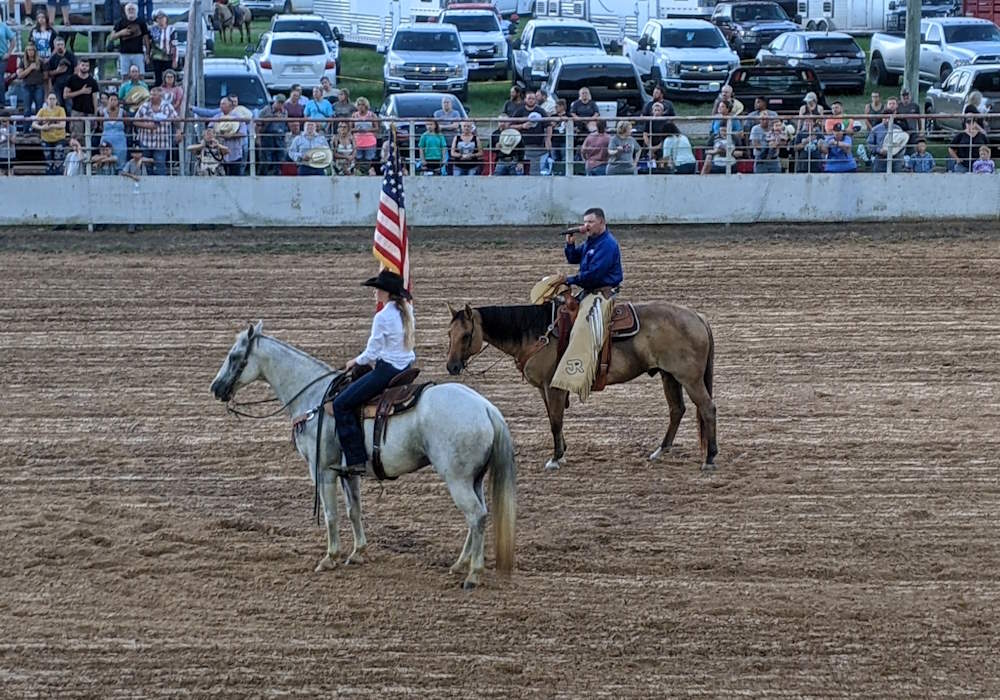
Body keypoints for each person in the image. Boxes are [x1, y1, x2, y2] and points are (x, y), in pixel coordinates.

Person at [333, 269, 415, 477]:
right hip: (406, 368)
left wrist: (353, 361)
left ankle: (356, 460)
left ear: (386, 292)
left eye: (377, 289)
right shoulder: (407, 310)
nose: (374, 293)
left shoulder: (382, 317)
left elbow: (372, 353)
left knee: (341, 404)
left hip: (387, 370)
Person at [550, 207, 623, 401]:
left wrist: (570, 280)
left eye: (590, 222)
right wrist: (570, 245)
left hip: (602, 293)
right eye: (585, 222)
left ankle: (580, 373)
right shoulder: (592, 241)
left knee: (583, 326)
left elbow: (594, 275)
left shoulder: (608, 244)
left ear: (601, 222)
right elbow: (574, 258)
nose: (586, 226)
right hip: (590, 290)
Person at [133, 85, 178, 175]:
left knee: (160, 164)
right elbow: (135, 121)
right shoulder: (144, 106)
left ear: (160, 96)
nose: (152, 97)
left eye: (154, 95)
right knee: (147, 165)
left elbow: (176, 119)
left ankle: (162, 185)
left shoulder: (167, 106)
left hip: (161, 142)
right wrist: (147, 126)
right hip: (145, 141)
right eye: (151, 94)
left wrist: (179, 131)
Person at [110, 3, 150, 78]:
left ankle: (140, 90)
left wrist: (147, 54)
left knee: (140, 76)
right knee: (125, 76)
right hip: (124, 54)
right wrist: (121, 33)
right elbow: (112, 37)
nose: (131, 11)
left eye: (133, 9)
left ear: (136, 11)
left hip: (138, 53)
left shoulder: (141, 22)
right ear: (125, 11)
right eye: (129, 9)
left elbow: (146, 39)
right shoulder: (120, 22)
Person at [62, 58, 99, 139]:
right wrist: (81, 91)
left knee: (89, 137)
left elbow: (95, 99)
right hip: (76, 111)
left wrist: (96, 115)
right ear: (79, 66)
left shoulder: (93, 81)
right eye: (83, 65)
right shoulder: (72, 79)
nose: (84, 67)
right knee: (77, 137)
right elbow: (65, 95)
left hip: (89, 112)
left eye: (87, 66)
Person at [32, 92, 67, 174]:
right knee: (48, 162)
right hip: (46, 139)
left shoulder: (61, 110)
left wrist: (51, 126)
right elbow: (33, 124)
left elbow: (63, 125)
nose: (52, 101)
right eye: (50, 99)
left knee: (58, 162)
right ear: (47, 100)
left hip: (59, 138)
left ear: (56, 100)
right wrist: (42, 127)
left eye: (53, 99)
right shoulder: (42, 111)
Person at [256, 93, 290, 175]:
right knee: (266, 160)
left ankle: (276, 176)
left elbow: (285, 125)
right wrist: (258, 138)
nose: (280, 105)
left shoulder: (285, 112)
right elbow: (257, 125)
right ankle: (261, 176)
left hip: (279, 138)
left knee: (279, 159)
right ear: (275, 101)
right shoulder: (265, 110)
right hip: (267, 137)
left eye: (282, 103)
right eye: (279, 102)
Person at [15, 43, 46, 131]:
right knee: (27, 109)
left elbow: (46, 76)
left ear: (35, 51)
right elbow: (20, 75)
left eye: (32, 50)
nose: (30, 52)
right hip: (27, 87)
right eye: (29, 50)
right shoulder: (22, 61)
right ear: (26, 51)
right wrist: (30, 69)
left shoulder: (40, 61)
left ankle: (38, 129)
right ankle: (26, 130)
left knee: (39, 109)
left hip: (38, 86)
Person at [98, 92, 127, 170]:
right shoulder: (102, 112)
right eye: (111, 99)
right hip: (106, 140)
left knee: (120, 163)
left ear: (118, 101)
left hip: (120, 141)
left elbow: (127, 125)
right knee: (105, 162)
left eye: (115, 99)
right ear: (108, 101)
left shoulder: (123, 112)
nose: (113, 101)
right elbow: (100, 126)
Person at [148, 10, 177, 87]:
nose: (160, 20)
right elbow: (149, 43)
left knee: (168, 76)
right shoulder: (153, 29)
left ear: (166, 19)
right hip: (156, 56)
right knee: (158, 78)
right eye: (158, 18)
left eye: (162, 18)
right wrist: (147, 56)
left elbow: (174, 45)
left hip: (168, 57)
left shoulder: (171, 29)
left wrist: (174, 60)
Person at [46, 37, 76, 109]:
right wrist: (57, 71)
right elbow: (48, 73)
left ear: (64, 45)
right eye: (58, 45)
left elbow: (76, 69)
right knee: (59, 106)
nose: (60, 46)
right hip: (57, 85)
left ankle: (69, 120)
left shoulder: (70, 55)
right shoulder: (52, 58)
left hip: (69, 85)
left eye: (61, 44)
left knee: (69, 106)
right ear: (55, 46)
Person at [352, 97, 378, 175]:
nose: (361, 106)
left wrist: (368, 130)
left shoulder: (372, 115)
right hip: (357, 142)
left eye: (362, 105)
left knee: (368, 160)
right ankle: (359, 174)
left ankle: (366, 173)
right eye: (359, 105)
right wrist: (357, 130)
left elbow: (376, 128)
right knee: (358, 160)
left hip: (369, 142)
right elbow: (350, 128)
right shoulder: (354, 116)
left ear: (366, 105)